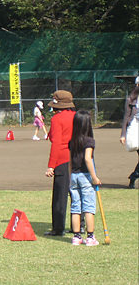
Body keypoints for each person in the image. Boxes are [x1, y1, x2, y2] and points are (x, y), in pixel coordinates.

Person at [44, 90, 76, 236]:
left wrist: (51, 165)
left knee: (60, 196)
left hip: (63, 159)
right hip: (77, 158)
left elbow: (55, 142)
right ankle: (79, 226)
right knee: (77, 193)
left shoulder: (57, 119)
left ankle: (58, 228)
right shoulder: (77, 117)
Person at [68, 110, 101, 246]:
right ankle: (90, 237)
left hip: (74, 176)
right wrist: (94, 177)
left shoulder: (72, 141)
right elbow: (88, 159)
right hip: (85, 176)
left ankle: (76, 237)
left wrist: (70, 176)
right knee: (88, 207)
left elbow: (70, 161)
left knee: (75, 207)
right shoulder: (89, 141)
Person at [120, 75, 139, 188]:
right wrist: (123, 134)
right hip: (135, 128)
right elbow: (126, 117)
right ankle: (134, 176)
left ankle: (134, 176)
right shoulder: (131, 100)